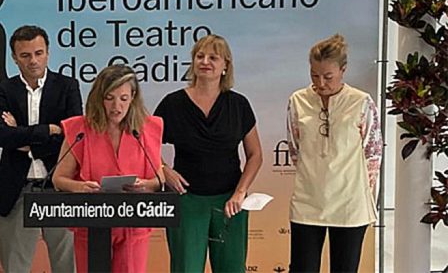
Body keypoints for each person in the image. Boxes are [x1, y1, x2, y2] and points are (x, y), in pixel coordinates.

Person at [155, 34, 262, 273]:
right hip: (186, 200)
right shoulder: (173, 103)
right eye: (200, 56)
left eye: (213, 57)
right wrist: (164, 170)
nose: (205, 62)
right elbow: (146, 145)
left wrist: (240, 193)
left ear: (225, 65)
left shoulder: (239, 105)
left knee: (232, 268)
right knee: (186, 268)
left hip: (230, 202)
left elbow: (255, 154)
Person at [0, 25, 81, 273]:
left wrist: (24, 138)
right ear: (14, 57)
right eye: (25, 55)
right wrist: (48, 130)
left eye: (39, 53)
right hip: (17, 189)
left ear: (48, 52)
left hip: (60, 186)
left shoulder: (68, 86)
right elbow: (3, 137)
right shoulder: (4, 89)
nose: (33, 61)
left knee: (67, 266)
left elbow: (74, 139)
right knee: (15, 267)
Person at [52, 64, 164, 273]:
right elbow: (58, 179)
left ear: (133, 98)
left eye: (123, 98)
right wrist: (80, 187)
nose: (116, 106)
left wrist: (145, 185)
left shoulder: (147, 128)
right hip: (91, 221)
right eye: (109, 98)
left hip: (134, 222)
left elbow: (159, 180)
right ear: (99, 98)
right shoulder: (79, 129)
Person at [287, 34, 380, 273]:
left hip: (350, 204)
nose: (321, 83)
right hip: (307, 200)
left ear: (343, 70)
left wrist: (364, 194)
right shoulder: (297, 101)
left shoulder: (361, 102)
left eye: (328, 76)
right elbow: (295, 148)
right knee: (302, 268)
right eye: (314, 75)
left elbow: (372, 153)